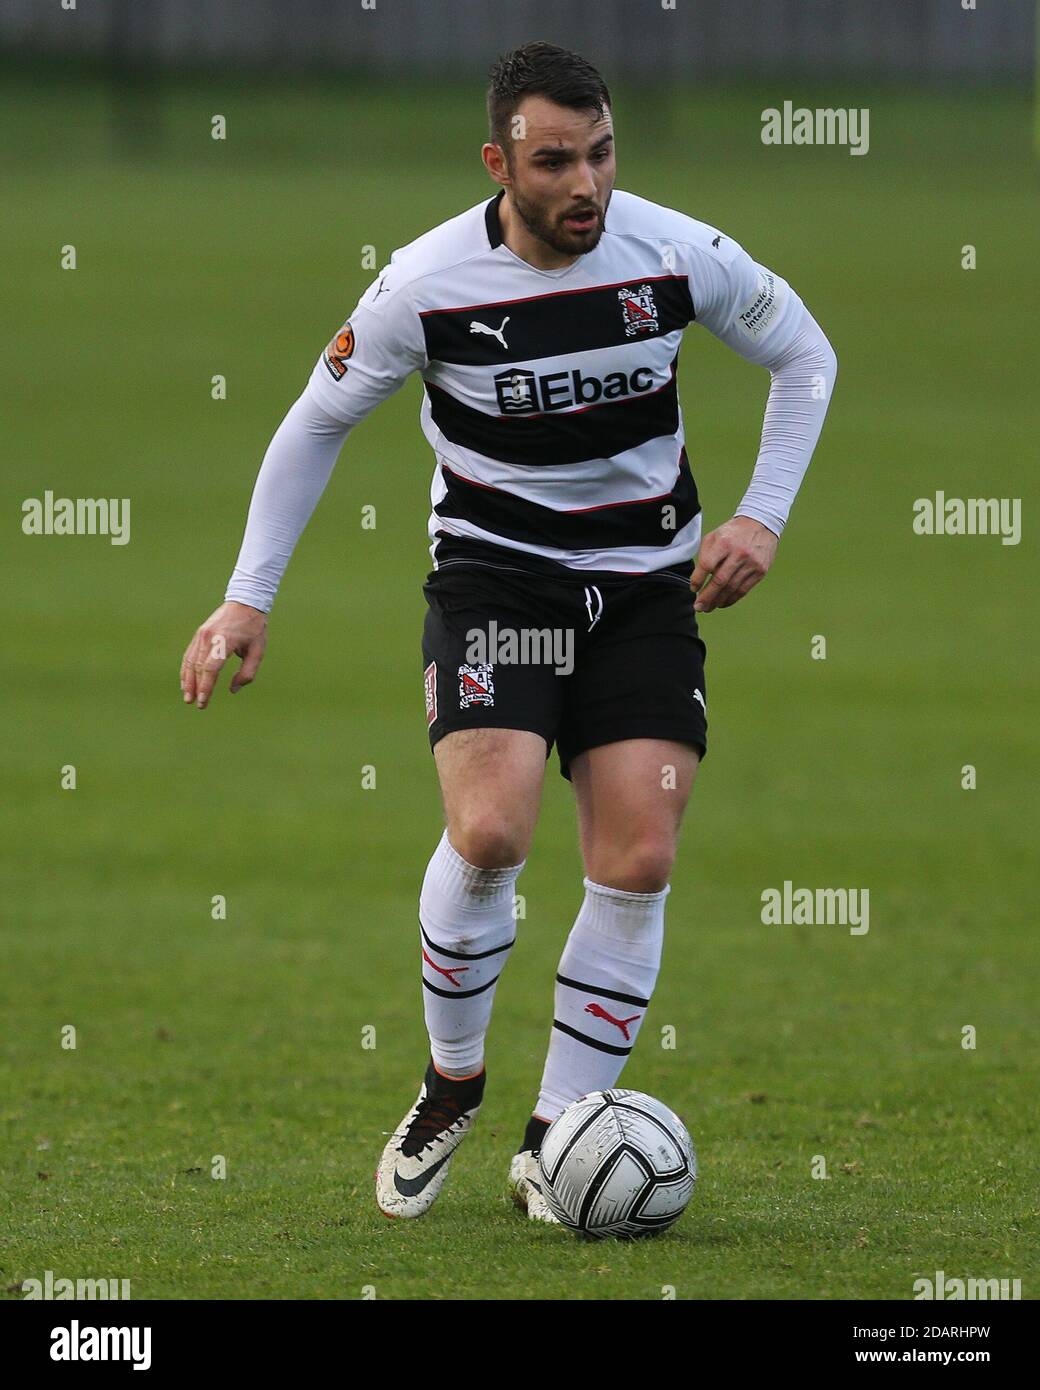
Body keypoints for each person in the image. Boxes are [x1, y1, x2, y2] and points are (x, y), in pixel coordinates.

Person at [179, 41, 837, 1223]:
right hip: (498, 583)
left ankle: (558, 1135)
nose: (584, 184)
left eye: (599, 154)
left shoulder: (675, 252)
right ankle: (450, 1081)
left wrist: (760, 515)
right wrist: (247, 595)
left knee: (637, 858)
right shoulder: (424, 285)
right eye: (552, 162)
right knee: (488, 831)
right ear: (498, 163)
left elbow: (803, 352)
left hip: (645, 586)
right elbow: (313, 422)